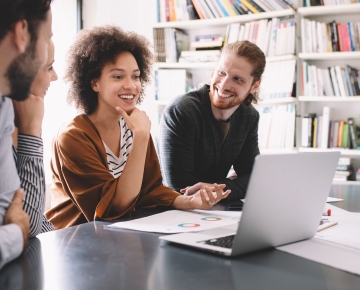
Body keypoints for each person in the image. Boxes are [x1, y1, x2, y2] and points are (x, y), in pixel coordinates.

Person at [46, 25, 230, 229]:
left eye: (135, 76)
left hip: (122, 234)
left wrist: (189, 201)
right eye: (118, 76)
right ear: (94, 83)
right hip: (75, 242)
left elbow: (150, 190)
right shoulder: (73, 137)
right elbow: (113, 208)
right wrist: (141, 137)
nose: (131, 86)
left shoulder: (133, 127)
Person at [157, 40, 265, 201]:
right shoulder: (182, 111)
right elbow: (180, 189)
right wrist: (231, 186)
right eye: (221, 73)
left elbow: (253, 177)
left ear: (255, 86)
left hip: (216, 210)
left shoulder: (248, 117)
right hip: (171, 213)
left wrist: (216, 190)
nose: (223, 85)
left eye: (237, 79)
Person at [0, 0, 53, 269]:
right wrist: (13, 235)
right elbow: (25, 223)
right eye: (48, 37)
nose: (54, 76)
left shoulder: (4, 110)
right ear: (22, 33)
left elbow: (22, 217)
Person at [12, 40, 58, 229]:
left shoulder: (27, 112)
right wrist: (31, 128)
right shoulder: (26, 121)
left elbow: (39, 223)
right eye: (49, 68)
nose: (55, 77)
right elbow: (29, 225)